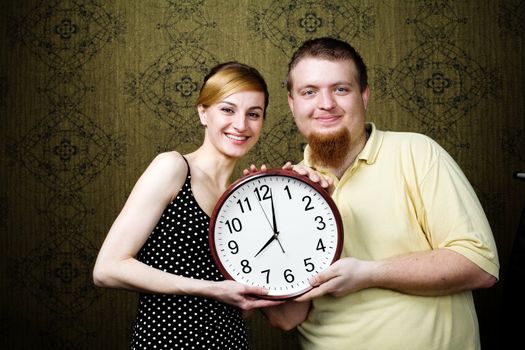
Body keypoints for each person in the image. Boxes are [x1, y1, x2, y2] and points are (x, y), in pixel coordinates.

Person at [262, 37, 500, 350]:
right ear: (292, 103)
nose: (326, 103)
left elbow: (480, 266)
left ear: (364, 95)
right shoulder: (286, 190)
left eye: (341, 89)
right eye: (309, 92)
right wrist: (260, 228)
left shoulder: (416, 153)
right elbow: (286, 318)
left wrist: (367, 273)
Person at [93, 61, 281, 350]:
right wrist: (213, 290)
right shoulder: (173, 168)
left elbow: (259, 303)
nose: (241, 125)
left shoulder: (243, 199)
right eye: (227, 109)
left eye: (253, 114)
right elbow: (107, 269)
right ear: (203, 112)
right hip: (169, 341)